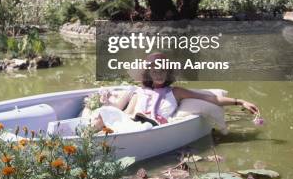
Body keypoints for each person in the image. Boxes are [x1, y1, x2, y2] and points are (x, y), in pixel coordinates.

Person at [90, 53, 259, 132]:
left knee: (144, 124)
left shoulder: (176, 92)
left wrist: (240, 101)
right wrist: (109, 108)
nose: (159, 74)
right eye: (155, 70)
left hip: (156, 126)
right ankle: (86, 137)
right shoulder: (140, 92)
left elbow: (211, 98)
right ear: (148, 73)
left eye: (163, 70)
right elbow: (126, 113)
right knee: (103, 114)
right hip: (133, 124)